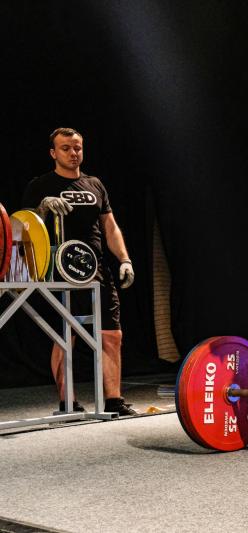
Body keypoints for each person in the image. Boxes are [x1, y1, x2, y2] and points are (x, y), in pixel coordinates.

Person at [23, 127, 136, 416]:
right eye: (66, 148)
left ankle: (114, 400)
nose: (73, 153)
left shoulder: (94, 184)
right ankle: (68, 403)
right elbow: (25, 226)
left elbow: (110, 226)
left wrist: (124, 259)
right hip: (62, 269)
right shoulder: (41, 185)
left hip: (96, 269)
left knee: (112, 334)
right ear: (53, 153)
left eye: (77, 148)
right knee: (66, 336)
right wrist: (43, 207)